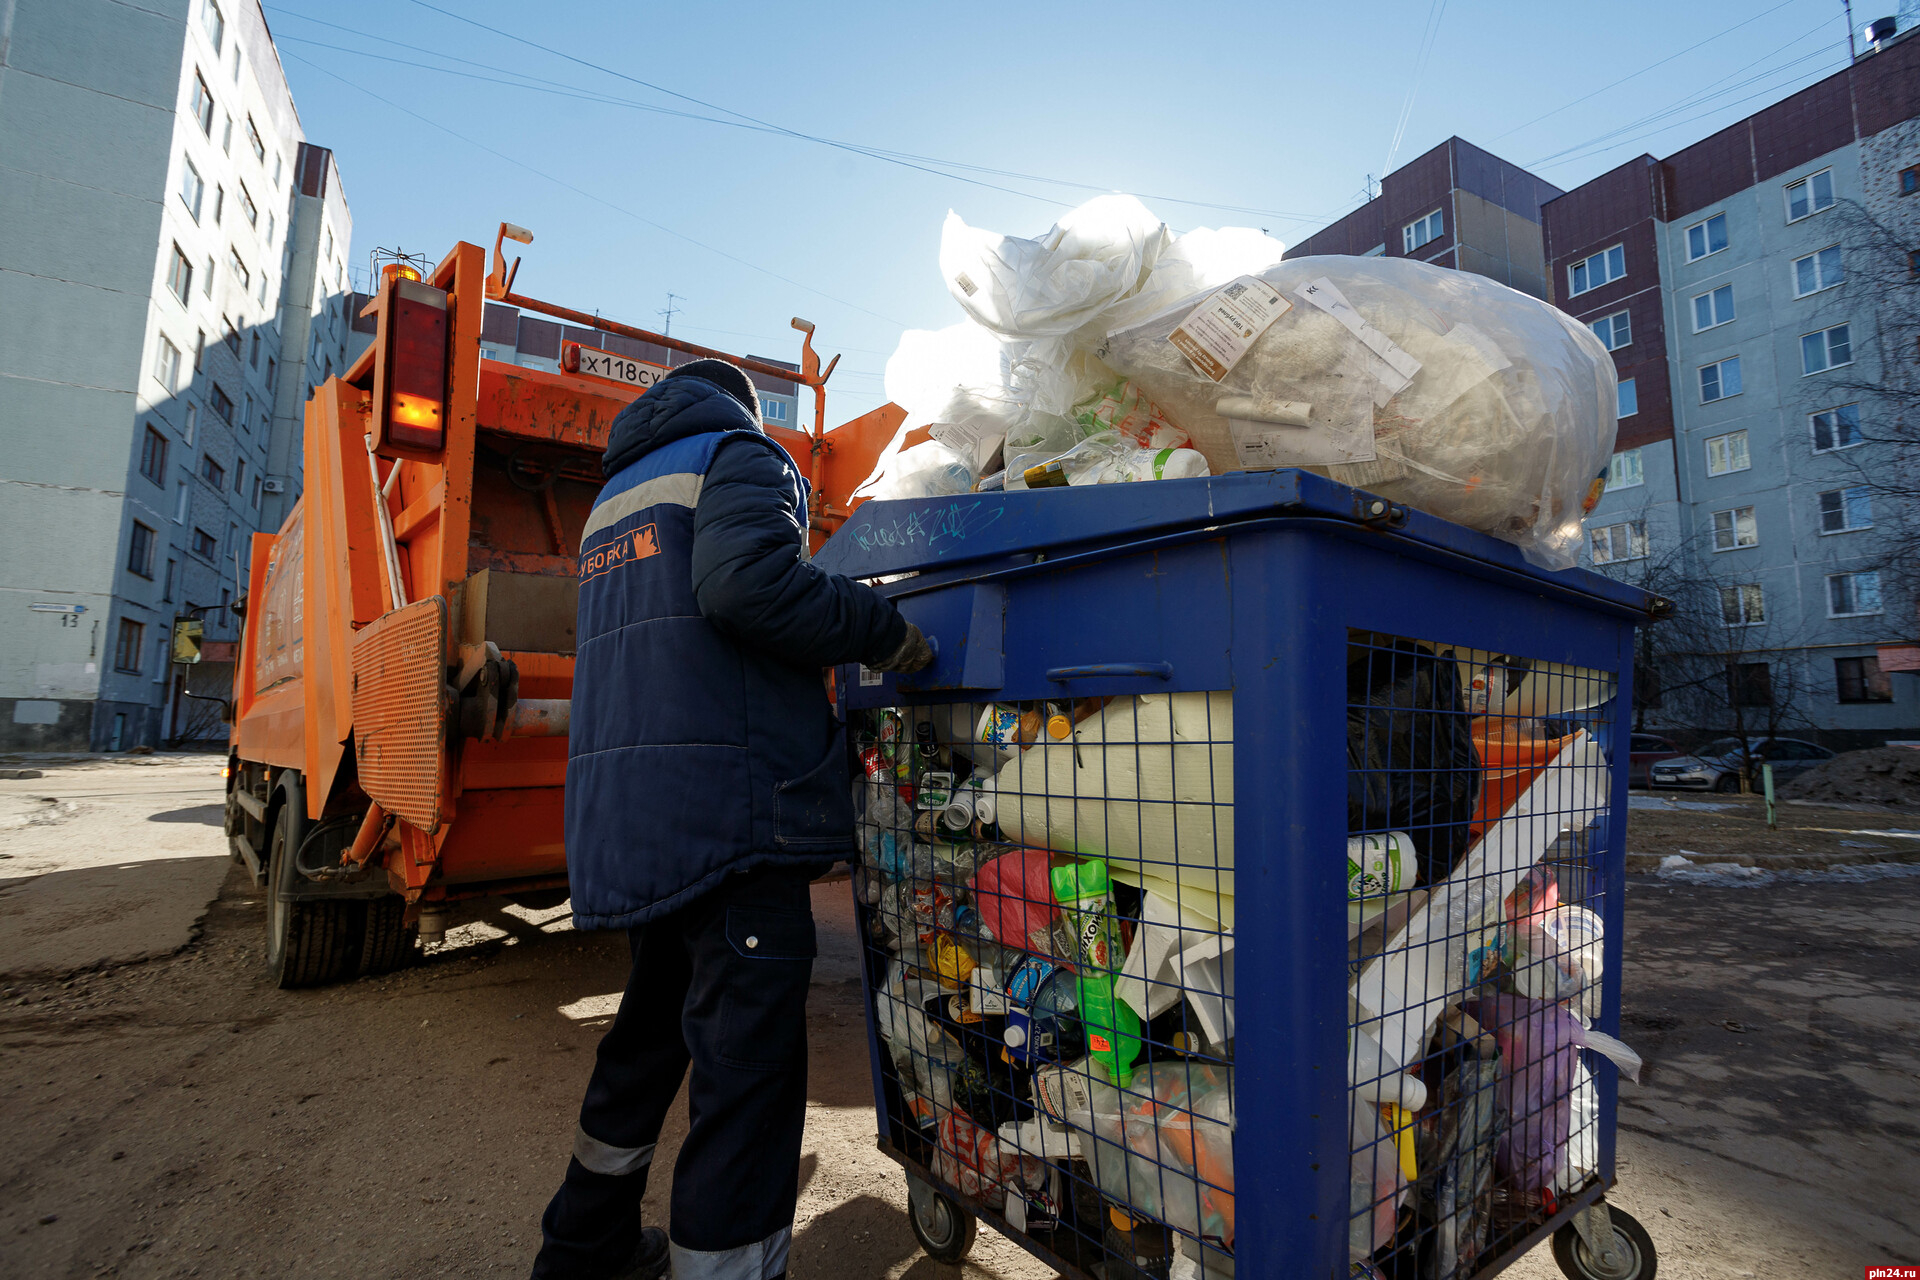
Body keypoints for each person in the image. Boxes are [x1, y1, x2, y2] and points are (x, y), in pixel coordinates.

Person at [529, 358, 931, 1280]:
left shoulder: (613, 500)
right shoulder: (739, 453)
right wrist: (881, 627)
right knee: (746, 1084)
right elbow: (750, 587)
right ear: (743, 409)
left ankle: (582, 1248)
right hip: (732, 819)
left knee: (647, 1037)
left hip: (637, 820)